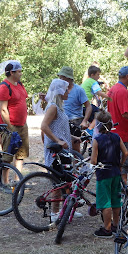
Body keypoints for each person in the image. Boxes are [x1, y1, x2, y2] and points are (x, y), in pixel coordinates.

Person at [40, 78, 82, 220]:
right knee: (57, 183)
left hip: (64, 150)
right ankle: (54, 213)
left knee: (67, 181)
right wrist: (57, 140)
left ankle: (68, 208)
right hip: (55, 151)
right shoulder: (52, 107)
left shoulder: (59, 107)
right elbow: (44, 126)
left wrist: (72, 137)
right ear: (59, 91)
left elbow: (59, 129)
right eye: (66, 89)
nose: (68, 92)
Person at [91, 111, 128, 238]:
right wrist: (120, 164)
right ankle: (116, 225)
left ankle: (107, 229)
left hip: (103, 174)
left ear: (98, 125)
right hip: (116, 172)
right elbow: (126, 153)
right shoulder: (117, 137)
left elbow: (93, 161)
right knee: (116, 200)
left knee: (105, 202)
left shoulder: (97, 140)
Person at [0, 60, 29, 181]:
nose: (21, 74)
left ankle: (18, 181)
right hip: (10, 126)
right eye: (19, 72)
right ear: (11, 72)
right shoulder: (4, 87)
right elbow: (3, 109)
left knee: (20, 156)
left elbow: (22, 101)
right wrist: (9, 128)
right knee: (7, 156)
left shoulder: (19, 84)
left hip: (22, 125)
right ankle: (4, 182)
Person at [107, 66, 128, 184]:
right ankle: (123, 194)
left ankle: (118, 192)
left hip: (114, 132)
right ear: (127, 76)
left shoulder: (113, 89)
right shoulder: (122, 91)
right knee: (124, 167)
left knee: (116, 165)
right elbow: (125, 113)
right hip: (123, 135)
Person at [59, 66, 92, 151]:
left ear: (69, 78)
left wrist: (84, 121)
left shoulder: (79, 90)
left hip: (75, 121)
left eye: (63, 77)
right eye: (60, 77)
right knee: (61, 147)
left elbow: (88, 106)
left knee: (74, 148)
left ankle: (77, 163)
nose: (60, 79)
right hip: (61, 121)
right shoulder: (59, 89)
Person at [81, 65, 111, 134]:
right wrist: (109, 98)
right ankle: (90, 130)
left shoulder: (87, 81)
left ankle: (92, 128)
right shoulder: (93, 82)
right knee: (100, 114)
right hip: (86, 105)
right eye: (98, 74)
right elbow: (98, 92)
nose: (99, 76)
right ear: (92, 75)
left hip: (81, 106)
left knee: (94, 116)